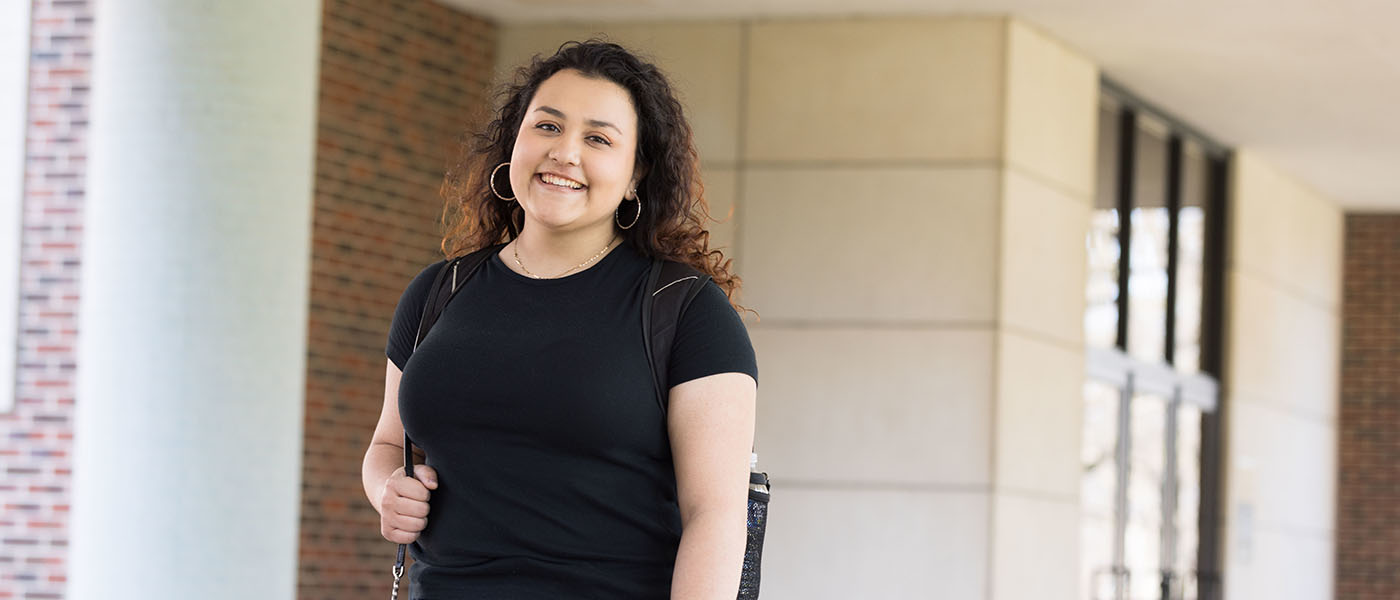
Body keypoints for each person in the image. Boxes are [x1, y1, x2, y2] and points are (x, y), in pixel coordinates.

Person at [361, 39, 759, 599]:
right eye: (547, 127)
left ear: (636, 173)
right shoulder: (439, 292)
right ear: (514, 142)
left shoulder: (685, 309)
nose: (565, 153)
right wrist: (388, 491)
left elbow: (715, 517)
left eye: (598, 139)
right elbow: (387, 446)